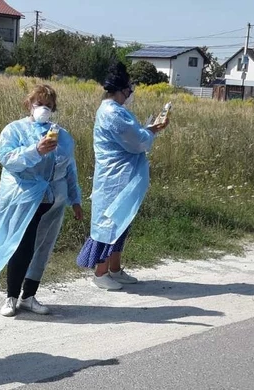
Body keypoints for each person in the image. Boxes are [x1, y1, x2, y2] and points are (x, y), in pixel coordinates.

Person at [0, 84, 83, 317]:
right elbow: (7, 158)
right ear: (29, 104)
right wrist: (36, 150)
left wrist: (75, 199)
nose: (44, 109)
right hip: (24, 199)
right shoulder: (14, 130)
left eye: (49, 105)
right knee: (21, 247)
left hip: (53, 201)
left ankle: (29, 296)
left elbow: (69, 168)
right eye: (39, 104)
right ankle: (11, 297)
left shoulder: (62, 136)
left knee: (42, 249)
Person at [77, 62, 169, 291]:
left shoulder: (117, 111)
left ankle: (115, 269)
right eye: (129, 89)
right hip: (114, 177)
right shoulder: (112, 112)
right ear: (121, 90)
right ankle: (101, 272)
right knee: (108, 223)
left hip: (123, 176)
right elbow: (136, 141)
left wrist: (148, 130)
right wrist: (154, 130)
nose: (131, 94)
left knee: (122, 222)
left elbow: (134, 136)